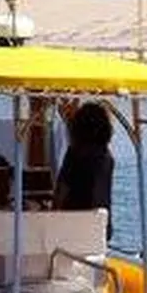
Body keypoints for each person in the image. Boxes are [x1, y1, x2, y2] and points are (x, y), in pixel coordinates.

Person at [53, 100, 114, 236]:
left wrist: (53, 216)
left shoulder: (75, 154)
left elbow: (62, 190)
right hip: (100, 228)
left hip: (73, 225)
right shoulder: (106, 156)